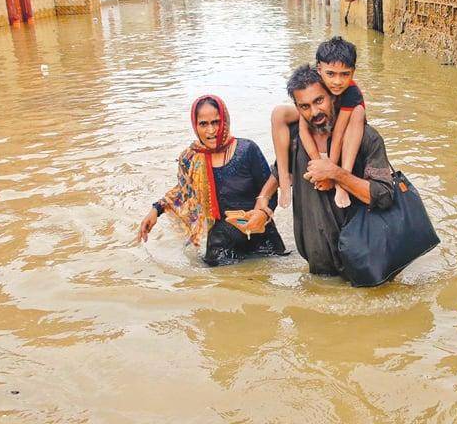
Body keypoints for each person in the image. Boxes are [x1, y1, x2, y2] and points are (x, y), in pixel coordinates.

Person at [257, 65, 394, 277]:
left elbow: (384, 196)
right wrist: (263, 200)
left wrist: (337, 174)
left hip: (364, 260)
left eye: (319, 101)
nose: (314, 112)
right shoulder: (295, 139)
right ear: (297, 108)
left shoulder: (365, 138)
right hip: (317, 262)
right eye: (304, 106)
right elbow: (280, 173)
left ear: (332, 96)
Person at [138, 95, 286, 265]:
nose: (211, 130)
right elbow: (183, 192)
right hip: (222, 243)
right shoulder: (190, 158)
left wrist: (263, 213)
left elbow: (271, 188)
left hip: (261, 236)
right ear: (195, 125)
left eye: (216, 122)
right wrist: (156, 210)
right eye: (203, 124)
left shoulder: (247, 150)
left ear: (225, 120)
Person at [271, 37, 366, 209]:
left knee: (358, 112)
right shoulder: (315, 81)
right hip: (323, 112)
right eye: (331, 74)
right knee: (279, 113)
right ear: (320, 69)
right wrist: (318, 165)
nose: (337, 82)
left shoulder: (351, 92)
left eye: (345, 74)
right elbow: (303, 128)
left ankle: (343, 183)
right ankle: (284, 178)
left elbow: (338, 134)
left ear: (353, 72)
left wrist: (330, 169)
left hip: (347, 119)